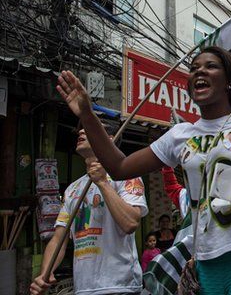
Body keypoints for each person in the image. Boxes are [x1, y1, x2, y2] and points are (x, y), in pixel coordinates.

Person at [54, 46, 231, 295]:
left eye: (210, 66)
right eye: (194, 68)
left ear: (229, 80)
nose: (199, 72)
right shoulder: (179, 135)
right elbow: (119, 167)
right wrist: (88, 113)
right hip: (206, 263)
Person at [30, 126, 148, 295]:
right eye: (80, 129)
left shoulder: (126, 175)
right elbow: (58, 240)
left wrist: (102, 182)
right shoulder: (72, 189)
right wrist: (44, 275)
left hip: (120, 286)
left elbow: (130, 223)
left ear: (109, 140)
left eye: (89, 129)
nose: (81, 132)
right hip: (83, 288)